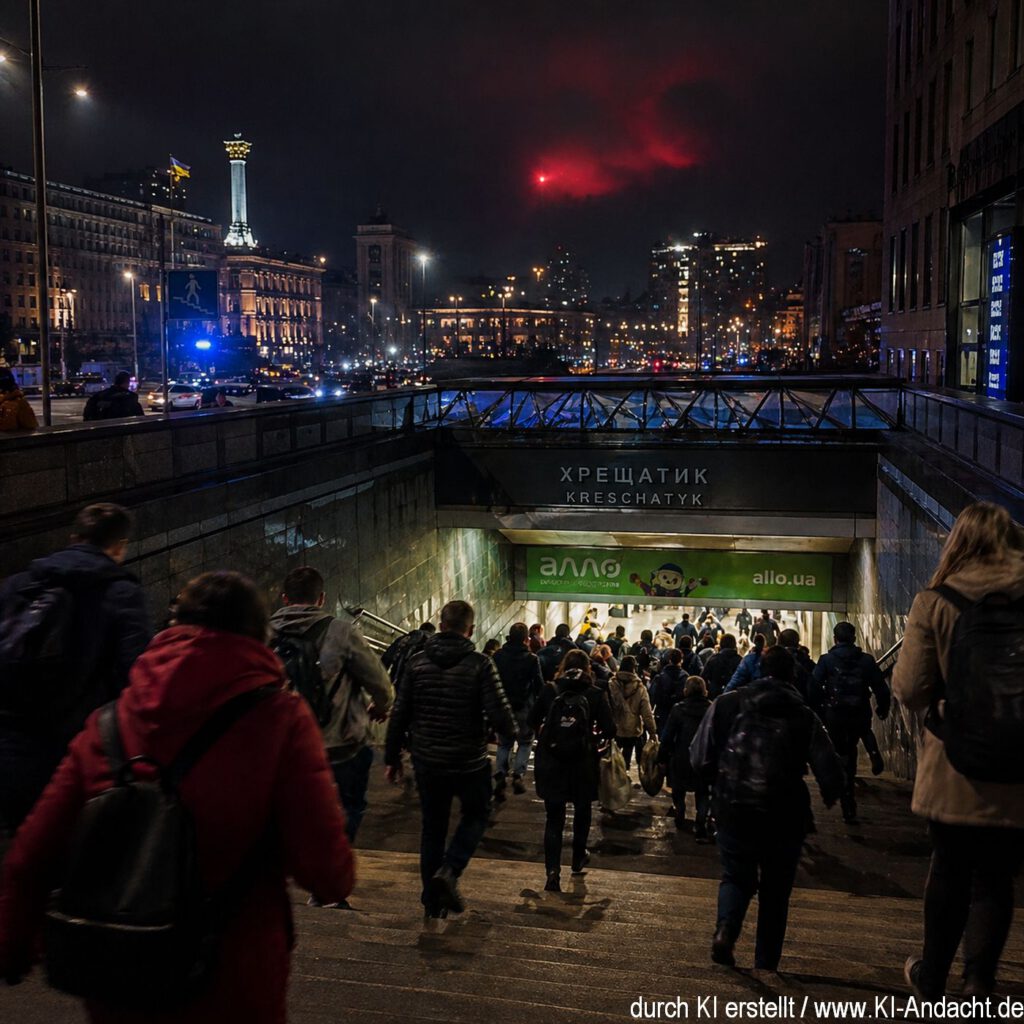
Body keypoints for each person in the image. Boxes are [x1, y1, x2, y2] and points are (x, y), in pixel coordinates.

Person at [0, 570, 354, 1024]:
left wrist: (13, 947)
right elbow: (327, 874)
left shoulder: (107, 726)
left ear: (171, 628)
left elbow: (31, 855)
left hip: (120, 977)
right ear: (257, 635)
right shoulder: (281, 719)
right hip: (234, 979)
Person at [893, 501, 1024, 1001]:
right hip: (1018, 764)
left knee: (949, 869)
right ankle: (978, 981)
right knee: (996, 877)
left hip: (956, 763)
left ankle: (933, 979)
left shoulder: (937, 600)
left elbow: (908, 689)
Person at [691, 644, 844, 972]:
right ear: (793, 674)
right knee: (776, 891)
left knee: (735, 876)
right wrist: (834, 795)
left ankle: (725, 931)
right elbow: (829, 770)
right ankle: (766, 965)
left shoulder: (728, 703)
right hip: (784, 813)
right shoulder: (804, 714)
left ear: (759, 669)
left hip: (734, 806)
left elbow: (699, 755)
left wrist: (714, 784)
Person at [0, 503, 151, 834]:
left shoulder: (16, 586)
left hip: (13, 751)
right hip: (80, 753)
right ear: (120, 546)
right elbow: (136, 677)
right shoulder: (120, 593)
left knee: (26, 848)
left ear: (73, 538)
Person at [384, 600, 515, 919]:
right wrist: (507, 735)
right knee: (476, 814)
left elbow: (400, 712)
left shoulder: (416, 663)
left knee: (433, 828)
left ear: (440, 626)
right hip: (469, 762)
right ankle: (450, 871)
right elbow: (501, 717)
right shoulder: (480, 664)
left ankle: (432, 903)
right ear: (470, 629)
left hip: (427, 760)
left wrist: (392, 757)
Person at [269, 566, 393, 846]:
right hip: (341, 742)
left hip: (286, 746)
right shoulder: (341, 631)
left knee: (294, 809)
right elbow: (380, 683)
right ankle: (329, 873)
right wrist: (381, 706)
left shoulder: (262, 634)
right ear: (322, 598)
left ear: (284, 598)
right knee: (349, 806)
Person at [529, 650, 615, 892]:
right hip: (583, 763)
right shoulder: (596, 693)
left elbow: (531, 720)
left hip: (552, 763)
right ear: (588, 668)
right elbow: (610, 729)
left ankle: (552, 872)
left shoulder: (550, 690)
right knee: (582, 810)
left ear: (563, 666)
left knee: (554, 818)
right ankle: (578, 856)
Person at [812, 622, 889, 825]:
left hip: (835, 715)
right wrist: (883, 707)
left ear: (835, 639)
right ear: (854, 638)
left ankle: (848, 803)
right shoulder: (866, 661)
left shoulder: (827, 660)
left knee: (843, 757)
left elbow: (813, 687)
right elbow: (881, 688)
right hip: (859, 711)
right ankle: (873, 752)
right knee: (864, 730)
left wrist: (820, 708)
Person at [492, 622, 545, 799]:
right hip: (524, 707)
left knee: (504, 743)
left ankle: (500, 772)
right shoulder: (531, 659)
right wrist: (542, 709)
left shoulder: (498, 656)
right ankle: (518, 774)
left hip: (503, 706)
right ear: (525, 639)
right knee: (525, 742)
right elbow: (538, 685)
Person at [658, 676, 712, 839]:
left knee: (679, 788)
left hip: (681, 756)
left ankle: (680, 812)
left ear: (686, 690)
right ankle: (700, 820)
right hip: (703, 757)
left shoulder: (678, 709)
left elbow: (668, 736)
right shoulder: (711, 708)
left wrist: (661, 757)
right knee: (702, 792)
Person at [606, 655, 657, 770]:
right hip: (632, 728)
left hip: (615, 726)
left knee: (613, 753)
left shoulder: (611, 684)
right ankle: (625, 772)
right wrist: (652, 731)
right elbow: (646, 712)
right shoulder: (639, 687)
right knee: (627, 753)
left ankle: (615, 774)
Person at [381, 622, 436, 694]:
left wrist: (382, 673)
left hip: (397, 677)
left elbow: (388, 655)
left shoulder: (405, 638)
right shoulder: (433, 646)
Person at [649, 648, 688, 733]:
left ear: (669, 660)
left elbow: (654, 695)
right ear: (681, 660)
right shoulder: (685, 677)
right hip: (680, 713)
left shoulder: (660, 676)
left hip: (663, 712)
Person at [777, 628, 817, 707]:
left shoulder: (774, 659)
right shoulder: (806, 660)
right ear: (797, 643)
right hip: (801, 704)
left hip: (778, 704)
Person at [702, 634, 742, 700]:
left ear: (721, 645)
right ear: (734, 645)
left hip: (714, 697)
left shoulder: (713, 659)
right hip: (734, 698)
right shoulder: (740, 660)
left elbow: (703, 677)